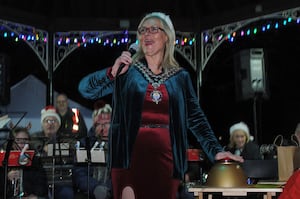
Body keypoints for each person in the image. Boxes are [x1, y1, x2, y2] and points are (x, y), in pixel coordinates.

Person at [78, 11, 243, 199]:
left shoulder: (180, 78)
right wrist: (112, 71)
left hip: (167, 158)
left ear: (166, 36)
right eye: (142, 30)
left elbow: (196, 118)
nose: (147, 34)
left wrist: (217, 151)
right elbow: (85, 89)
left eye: (153, 29)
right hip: (128, 156)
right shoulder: (126, 71)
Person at [31, 106, 75, 199]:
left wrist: (51, 147)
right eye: (47, 121)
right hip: (40, 181)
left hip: (60, 181)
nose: (50, 124)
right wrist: (43, 147)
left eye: (54, 121)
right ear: (42, 124)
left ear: (59, 125)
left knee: (67, 193)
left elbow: (72, 147)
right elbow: (34, 145)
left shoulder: (66, 137)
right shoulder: (34, 137)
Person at [73, 100, 112, 199]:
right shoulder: (84, 144)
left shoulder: (121, 144)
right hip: (90, 191)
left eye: (107, 123)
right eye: (99, 124)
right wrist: (94, 187)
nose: (104, 128)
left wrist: (108, 188)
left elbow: (122, 173)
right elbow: (79, 173)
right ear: (94, 126)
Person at [0, 127, 49, 199]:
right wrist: (7, 177)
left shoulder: (35, 160)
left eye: (25, 140)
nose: (22, 143)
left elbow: (42, 184)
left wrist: (34, 196)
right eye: (18, 140)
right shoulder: (4, 158)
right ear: (12, 143)